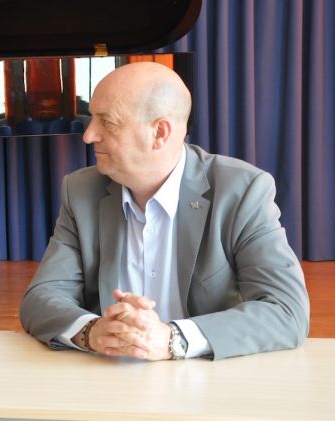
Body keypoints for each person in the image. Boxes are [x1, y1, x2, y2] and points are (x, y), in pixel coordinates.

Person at [20, 61, 309, 361]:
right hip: (107, 382)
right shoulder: (81, 191)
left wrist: (172, 339)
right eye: (92, 118)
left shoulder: (241, 191)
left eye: (107, 122)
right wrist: (92, 331)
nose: (89, 135)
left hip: (208, 382)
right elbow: (41, 299)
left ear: (160, 132)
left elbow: (286, 310)